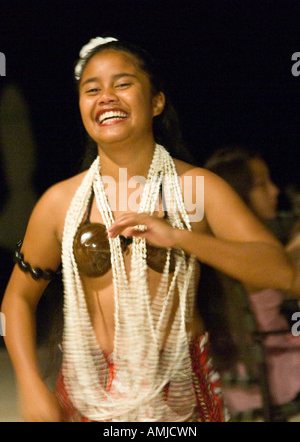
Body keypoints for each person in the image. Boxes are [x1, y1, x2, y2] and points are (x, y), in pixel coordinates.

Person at [1, 37, 297, 423]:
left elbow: (280, 272)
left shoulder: (198, 188)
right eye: (92, 89)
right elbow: (16, 300)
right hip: (88, 396)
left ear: (157, 101)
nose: (106, 96)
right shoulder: (61, 202)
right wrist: (28, 382)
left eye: (122, 84)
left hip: (182, 396)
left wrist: (181, 237)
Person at [204, 146, 300, 414]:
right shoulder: (254, 262)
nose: (274, 191)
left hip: (238, 383)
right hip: (277, 374)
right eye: (261, 184)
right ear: (237, 195)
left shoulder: (218, 250)